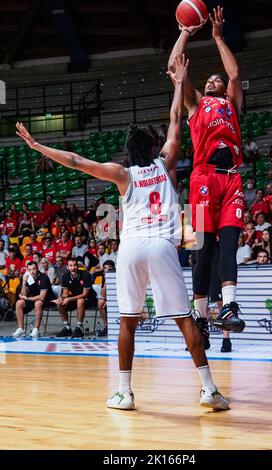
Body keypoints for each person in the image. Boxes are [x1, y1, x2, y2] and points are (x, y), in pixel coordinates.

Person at [16, 54, 229, 411]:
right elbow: (176, 120)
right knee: (184, 319)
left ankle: (124, 393)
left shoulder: (122, 174)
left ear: (128, 153)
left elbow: (76, 161)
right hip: (162, 246)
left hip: (130, 249)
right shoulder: (165, 163)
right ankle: (209, 389)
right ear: (151, 148)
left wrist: (39, 147)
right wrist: (178, 85)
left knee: (127, 323)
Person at [168, 7, 246, 338]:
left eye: (216, 79)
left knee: (229, 246)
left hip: (232, 178)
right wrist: (186, 32)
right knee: (202, 252)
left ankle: (228, 305)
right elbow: (174, 66)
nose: (214, 80)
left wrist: (216, 37)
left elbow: (234, 73)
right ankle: (199, 315)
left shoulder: (230, 103)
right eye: (209, 79)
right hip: (201, 178)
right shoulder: (196, 104)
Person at [53, 258, 98, 338]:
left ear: (78, 266)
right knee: (60, 303)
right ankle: (67, 328)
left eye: (75, 265)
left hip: (90, 298)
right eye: (71, 266)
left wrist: (69, 299)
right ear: (67, 267)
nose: (73, 268)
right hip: (74, 298)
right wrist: (61, 298)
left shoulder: (86, 275)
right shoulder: (65, 275)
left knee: (80, 301)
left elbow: (85, 294)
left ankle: (78, 328)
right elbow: (65, 294)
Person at [12, 261, 55, 338]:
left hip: (48, 300)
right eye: (30, 269)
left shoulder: (43, 277)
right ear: (27, 270)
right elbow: (23, 294)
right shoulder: (27, 277)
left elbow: (42, 296)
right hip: (33, 299)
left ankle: (36, 329)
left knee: (38, 303)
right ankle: (21, 329)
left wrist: (27, 298)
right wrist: (24, 282)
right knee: (19, 302)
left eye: (34, 269)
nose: (32, 271)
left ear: (37, 269)